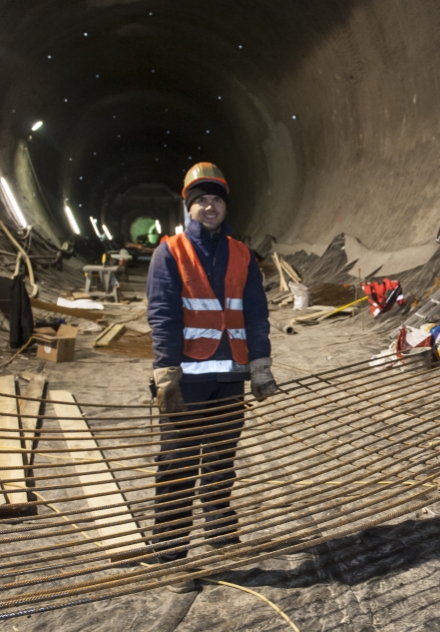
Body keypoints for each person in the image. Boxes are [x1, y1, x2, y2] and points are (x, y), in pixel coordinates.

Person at [146, 162, 278, 591]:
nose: (209, 205)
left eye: (216, 198)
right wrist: (166, 373)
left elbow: (256, 313)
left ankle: (222, 540)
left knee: (221, 464)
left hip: (230, 378)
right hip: (188, 380)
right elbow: (162, 315)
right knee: (178, 467)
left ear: (225, 205)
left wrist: (260, 365)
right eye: (201, 198)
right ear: (189, 205)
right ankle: (170, 558)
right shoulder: (170, 252)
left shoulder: (241, 253)